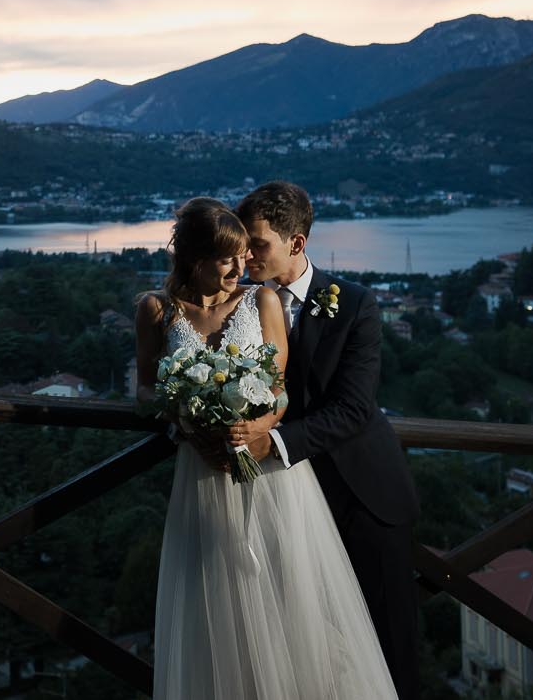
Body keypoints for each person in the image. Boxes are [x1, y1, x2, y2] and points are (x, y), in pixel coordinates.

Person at [135, 196, 397, 699]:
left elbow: (278, 389)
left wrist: (256, 433)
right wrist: (188, 419)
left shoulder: (262, 301)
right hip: (201, 476)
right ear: (193, 258)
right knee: (214, 604)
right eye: (228, 256)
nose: (242, 265)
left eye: (246, 253)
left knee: (293, 603)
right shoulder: (155, 309)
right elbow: (145, 390)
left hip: (273, 474)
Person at [227, 181, 421, 700]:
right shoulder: (237, 305)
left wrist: (275, 443)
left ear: (298, 243)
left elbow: (355, 408)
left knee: (387, 653)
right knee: (302, 654)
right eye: (243, 243)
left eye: (258, 244)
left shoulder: (356, 304)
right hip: (282, 508)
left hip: (362, 498)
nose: (246, 255)